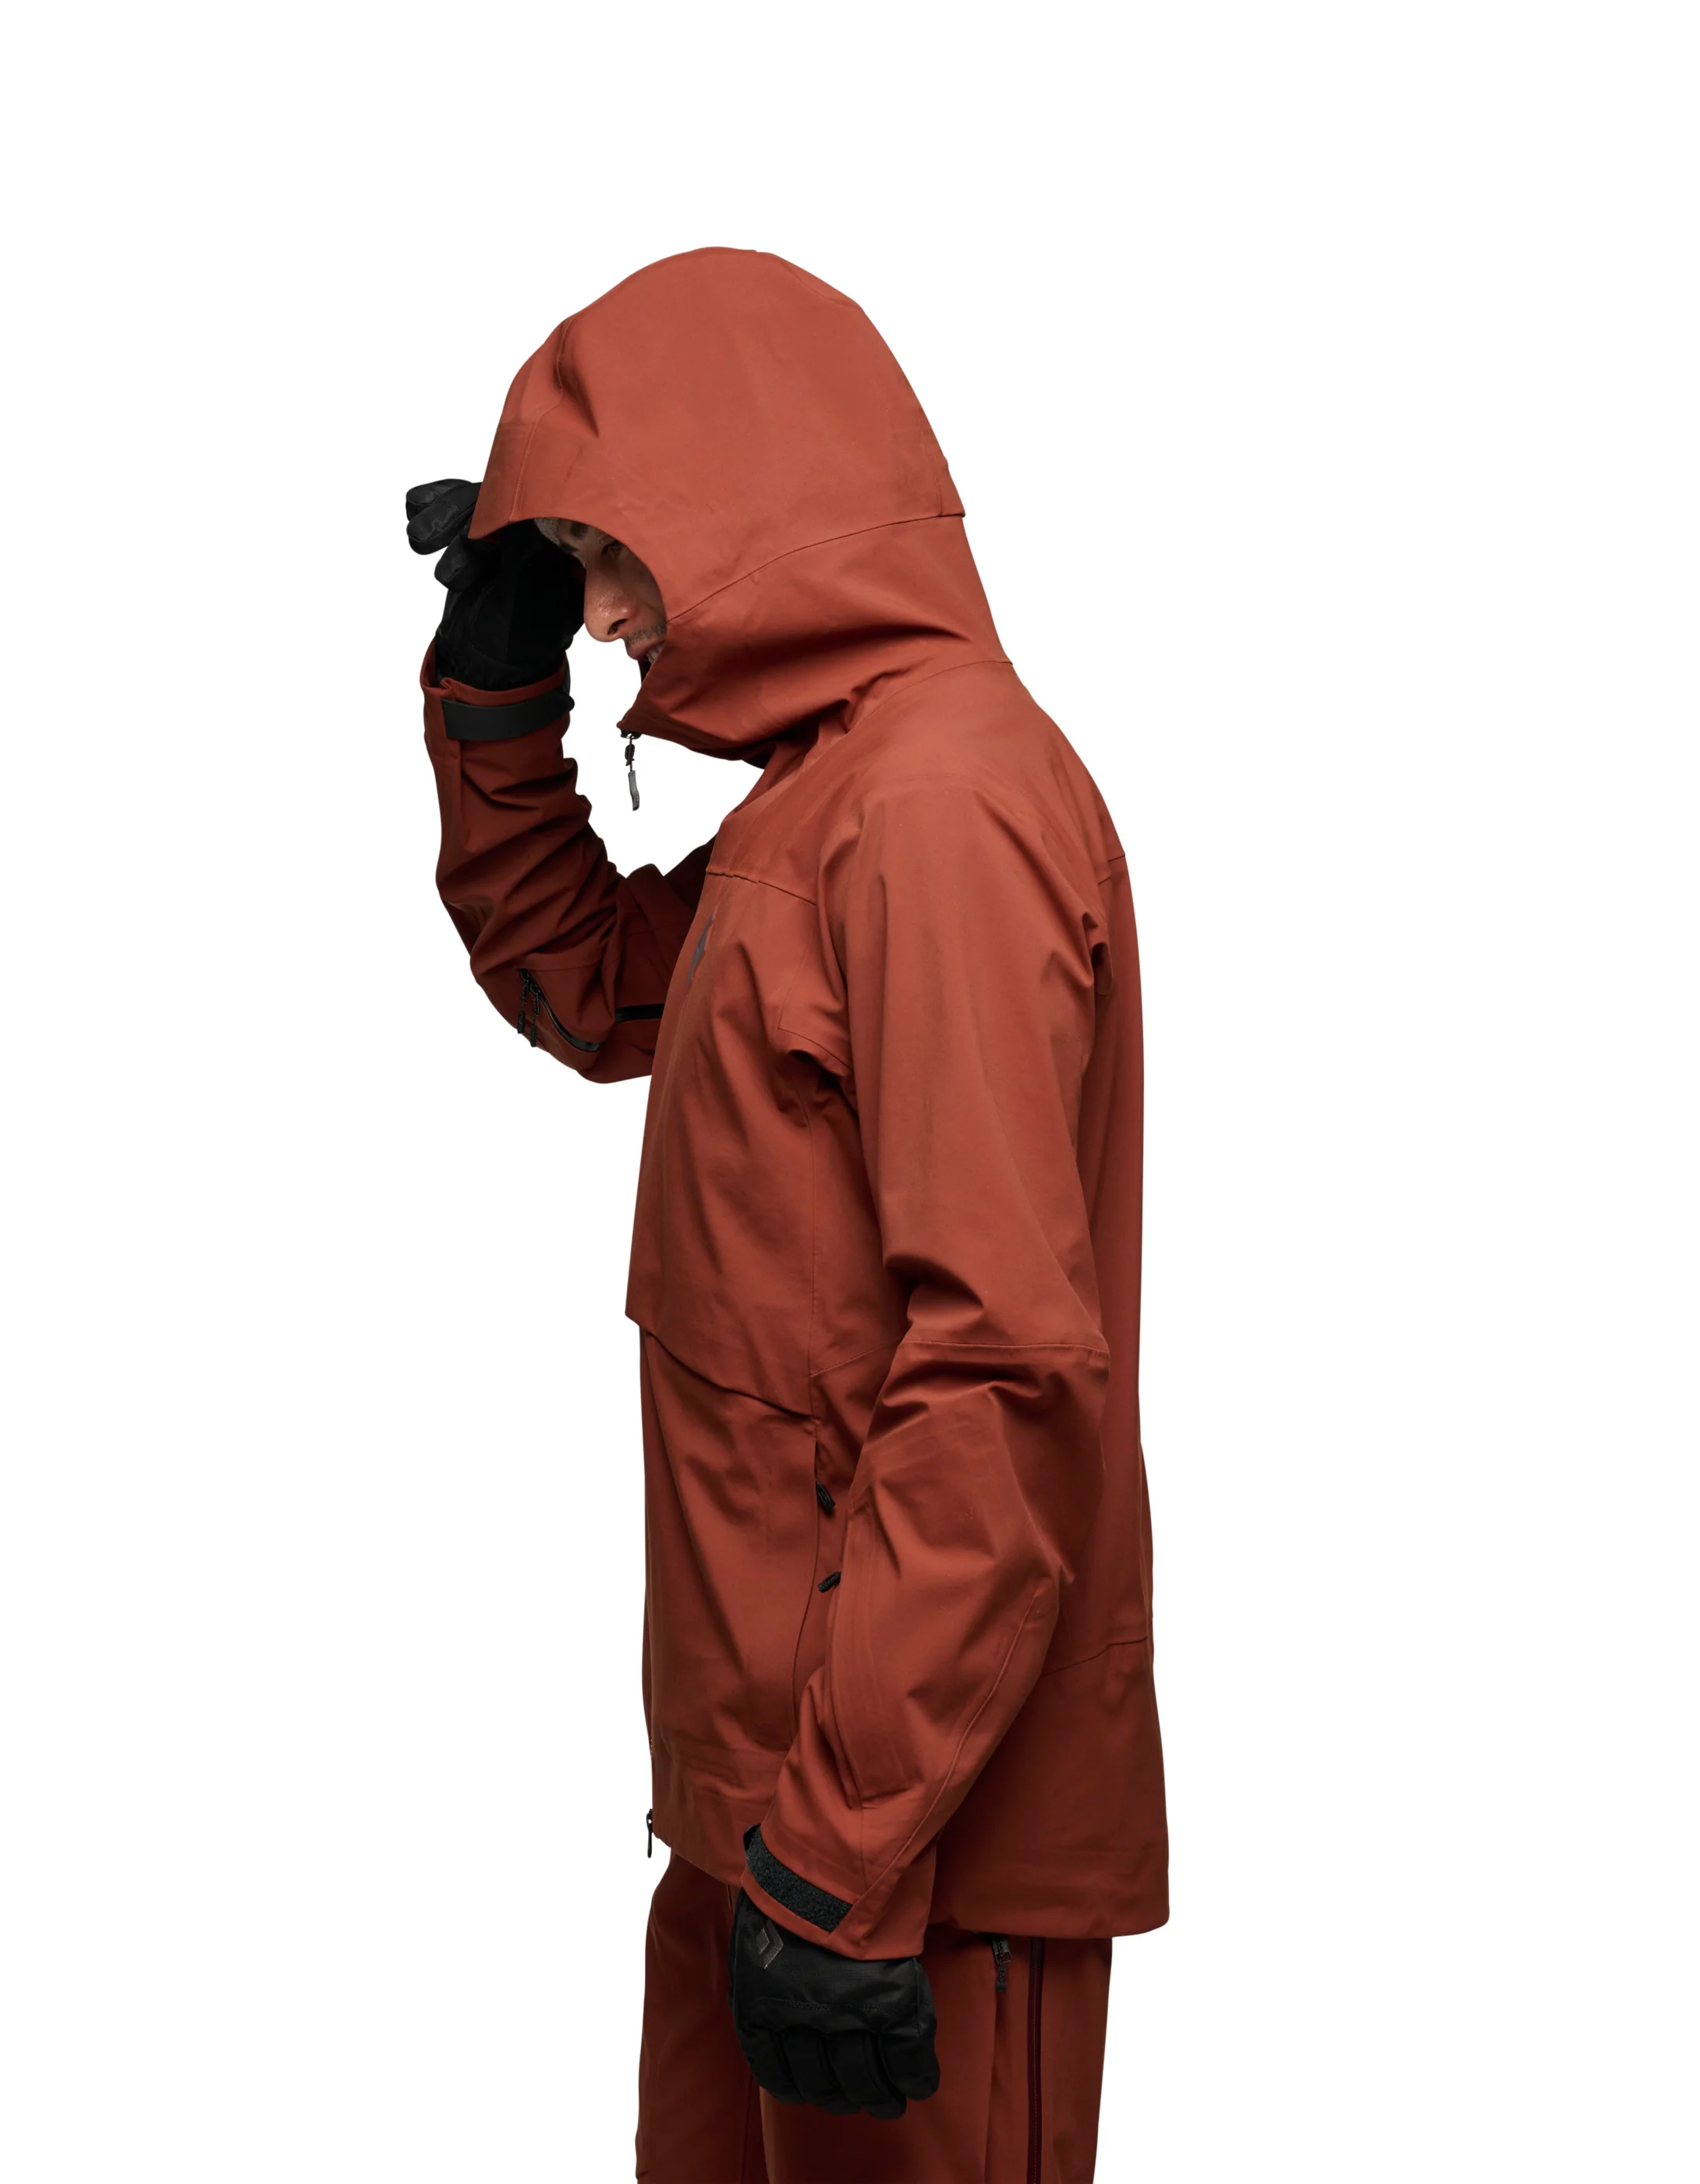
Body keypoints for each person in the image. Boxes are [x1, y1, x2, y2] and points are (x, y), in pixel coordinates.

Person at [408, 248, 1167, 2184]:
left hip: (901, 1854)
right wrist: (493, 690)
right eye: (571, 572)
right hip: (766, 1813)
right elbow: (589, 982)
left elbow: (1000, 1366)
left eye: (604, 557)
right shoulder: (821, 805)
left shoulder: (938, 809)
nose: (603, 616)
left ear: (745, 500)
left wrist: (839, 1854)